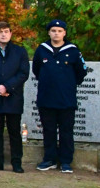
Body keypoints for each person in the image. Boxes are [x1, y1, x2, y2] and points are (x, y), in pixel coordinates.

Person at [32, 19, 88, 173]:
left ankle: (65, 162)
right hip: (46, 98)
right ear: (49, 32)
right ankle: (49, 159)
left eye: (59, 31)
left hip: (66, 99)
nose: (56, 33)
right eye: (53, 31)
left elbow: (81, 72)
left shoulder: (73, 51)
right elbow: (36, 70)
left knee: (66, 131)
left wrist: (67, 84)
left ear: (64, 33)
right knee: (48, 130)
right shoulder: (41, 50)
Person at [0, 21, 30, 173]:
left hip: (13, 97)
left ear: (11, 34)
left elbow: (23, 73)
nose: (3, 34)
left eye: (6, 31)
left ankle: (16, 162)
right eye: (0, 32)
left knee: (14, 132)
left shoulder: (20, 52)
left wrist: (7, 87)